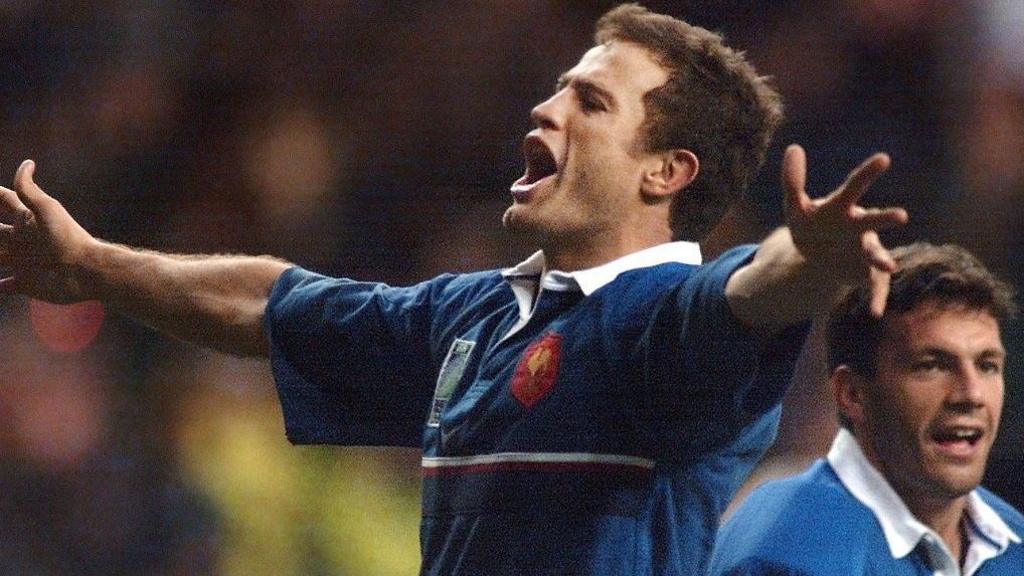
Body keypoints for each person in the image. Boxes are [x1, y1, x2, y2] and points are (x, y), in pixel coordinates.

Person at [0, 5, 908, 575]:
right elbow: (272, 304)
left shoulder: (660, 324)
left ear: (665, 172)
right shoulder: (470, 316)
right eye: (560, 89)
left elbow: (751, 293)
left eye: (590, 103)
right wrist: (93, 266)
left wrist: (811, 258)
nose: (546, 109)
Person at [709, 242, 1023, 575]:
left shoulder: (1014, 542)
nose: (971, 394)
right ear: (852, 394)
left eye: (987, 365)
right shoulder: (785, 554)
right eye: (931, 365)